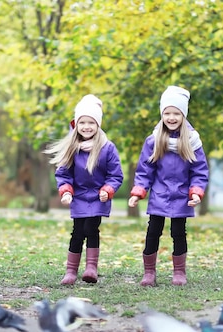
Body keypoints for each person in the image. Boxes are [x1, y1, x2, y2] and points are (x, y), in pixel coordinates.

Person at [128, 86, 209, 286]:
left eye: (176, 113)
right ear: (162, 114)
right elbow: (145, 169)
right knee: (153, 231)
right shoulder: (154, 140)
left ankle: (179, 272)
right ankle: (149, 272)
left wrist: (196, 192)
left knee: (178, 232)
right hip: (159, 193)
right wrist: (139, 191)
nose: (171, 117)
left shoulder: (192, 141)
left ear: (183, 115)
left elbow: (199, 171)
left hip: (182, 195)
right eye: (167, 113)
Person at [45, 95, 124, 285]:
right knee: (78, 231)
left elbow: (116, 175)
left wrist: (108, 189)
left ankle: (91, 268)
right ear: (76, 124)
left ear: (98, 125)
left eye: (91, 122)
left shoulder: (107, 148)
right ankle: (71, 271)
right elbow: (63, 173)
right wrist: (66, 191)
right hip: (79, 196)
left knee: (91, 228)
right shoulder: (72, 147)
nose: (87, 126)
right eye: (83, 122)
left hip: (98, 197)